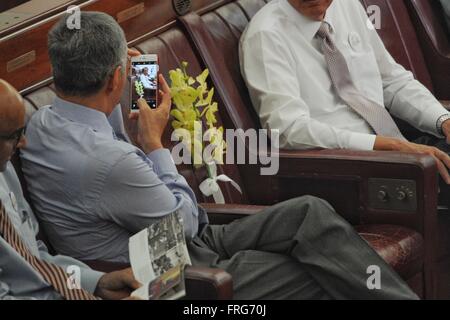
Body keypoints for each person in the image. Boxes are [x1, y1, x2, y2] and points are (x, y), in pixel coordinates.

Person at [21, 11, 418, 300]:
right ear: (115, 79)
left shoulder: (42, 124)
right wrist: (155, 143)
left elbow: (104, 142)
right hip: (164, 267)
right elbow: (187, 223)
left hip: (168, 233)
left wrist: (131, 96)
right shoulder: (111, 161)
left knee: (309, 211)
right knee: (320, 271)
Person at [239, 0, 450, 206]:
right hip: (347, 171)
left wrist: (442, 120)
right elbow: (289, 129)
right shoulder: (265, 35)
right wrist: (387, 146)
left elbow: (391, 79)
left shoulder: (347, 5)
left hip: (398, 149)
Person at [0, 79, 141, 300]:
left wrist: (96, 282)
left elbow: (35, 257)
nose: (23, 143)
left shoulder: (5, 173)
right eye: (14, 135)